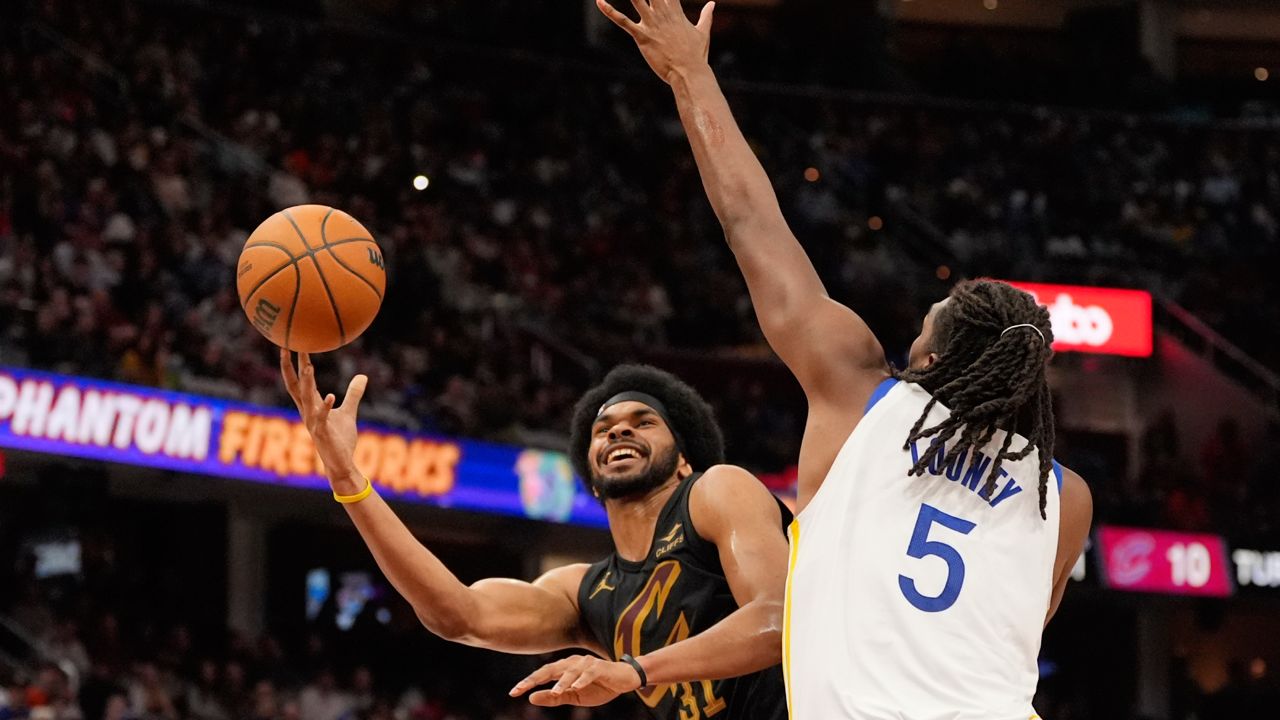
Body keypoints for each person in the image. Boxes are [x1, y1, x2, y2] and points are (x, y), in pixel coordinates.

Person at [597, 1, 1094, 717]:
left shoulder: (860, 397)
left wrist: (689, 75)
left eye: (922, 328)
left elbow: (751, 226)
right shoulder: (1064, 495)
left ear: (928, 358)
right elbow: (1013, 629)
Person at [281, 353, 790, 718]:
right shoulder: (586, 593)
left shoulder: (718, 489)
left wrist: (633, 671)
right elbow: (457, 615)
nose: (617, 431)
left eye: (644, 422)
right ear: (591, 475)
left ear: (683, 460)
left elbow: (775, 620)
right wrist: (348, 480)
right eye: (603, 427)